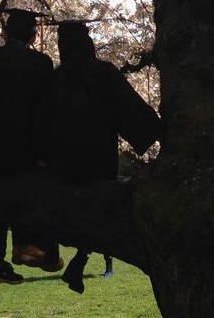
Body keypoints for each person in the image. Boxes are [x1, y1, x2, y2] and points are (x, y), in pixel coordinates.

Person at [47, 21, 161, 293]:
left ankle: (78, 258)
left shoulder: (55, 79)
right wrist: (155, 128)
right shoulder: (102, 74)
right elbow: (129, 111)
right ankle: (81, 258)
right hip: (98, 161)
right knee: (103, 206)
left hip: (61, 166)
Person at [0, 8, 61, 284]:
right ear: (33, 36)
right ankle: (32, 247)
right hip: (24, 146)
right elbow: (45, 112)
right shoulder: (40, 63)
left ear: (5, 33)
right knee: (29, 194)